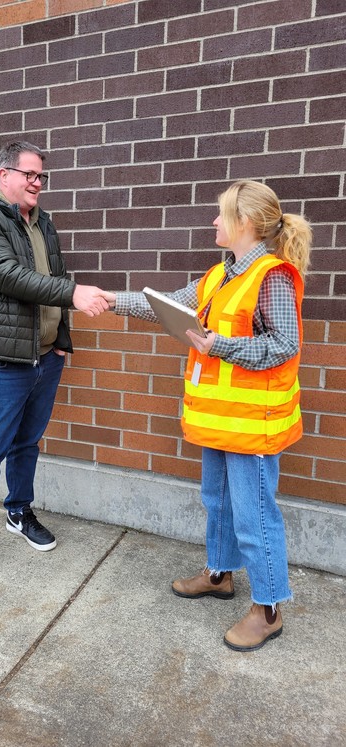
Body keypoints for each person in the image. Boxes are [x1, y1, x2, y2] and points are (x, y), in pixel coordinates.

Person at [104, 180, 312, 651]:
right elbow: (171, 304)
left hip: (253, 424)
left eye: (221, 215)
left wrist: (218, 345)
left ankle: (268, 609)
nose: (214, 222)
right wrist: (113, 301)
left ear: (246, 223)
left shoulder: (272, 275)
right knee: (217, 502)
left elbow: (283, 346)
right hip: (222, 420)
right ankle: (219, 575)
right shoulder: (221, 274)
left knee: (254, 516)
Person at [0, 141, 110, 586]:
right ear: (4, 175)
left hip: (44, 360)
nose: (37, 183)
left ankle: (19, 512)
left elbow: (51, 277)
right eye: (29, 175)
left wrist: (59, 339)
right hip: (2, 364)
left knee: (28, 444)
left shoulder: (43, 224)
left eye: (42, 176)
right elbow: (10, 276)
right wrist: (73, 293)